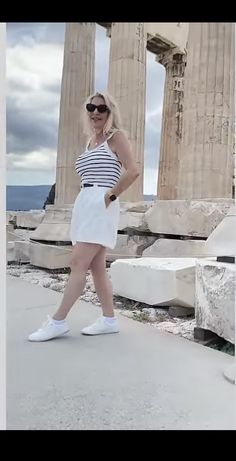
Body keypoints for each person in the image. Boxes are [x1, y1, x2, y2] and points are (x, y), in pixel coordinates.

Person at [28, 91, 139, 341]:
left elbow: (133, 171)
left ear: (110, 112)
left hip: (101, 204)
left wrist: (110, 196)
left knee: (78, 263)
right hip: (85, 203)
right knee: (97, 267)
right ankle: (109, 319)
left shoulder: (116, 137)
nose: (96, 112)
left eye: (102, 109)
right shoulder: (90, 142)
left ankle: (58, 321)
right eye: (91, 107)